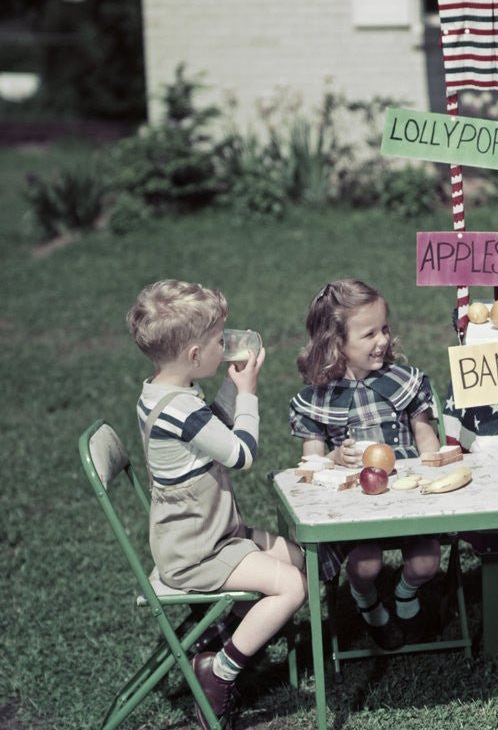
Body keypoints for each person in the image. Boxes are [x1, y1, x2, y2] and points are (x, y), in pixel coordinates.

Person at [127, 279, 307, 730]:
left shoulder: (166, 393)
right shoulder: (180, 409)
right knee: (292, 586)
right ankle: (219, 672)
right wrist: (248, 391)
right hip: (196, 551)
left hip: (211, 533)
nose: (224, 348)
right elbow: (240, 452)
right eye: (218, 342)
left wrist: (228, 390)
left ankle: (216, 635)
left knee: (299, 557)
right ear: (193, 355)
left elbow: (213, 429)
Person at [289, 279, 442, 651]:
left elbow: (426, 437)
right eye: (369, 333)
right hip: (358, 506)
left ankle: (406, 595)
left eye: (384, 329)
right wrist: (334, 458)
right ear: (335, 343)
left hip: (409, 496)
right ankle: (368, 604)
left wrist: (431, 469)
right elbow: (310, 463)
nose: (383, 340)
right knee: (365, 566)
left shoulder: (404, 382)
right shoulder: (318, 399)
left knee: (426, 561)